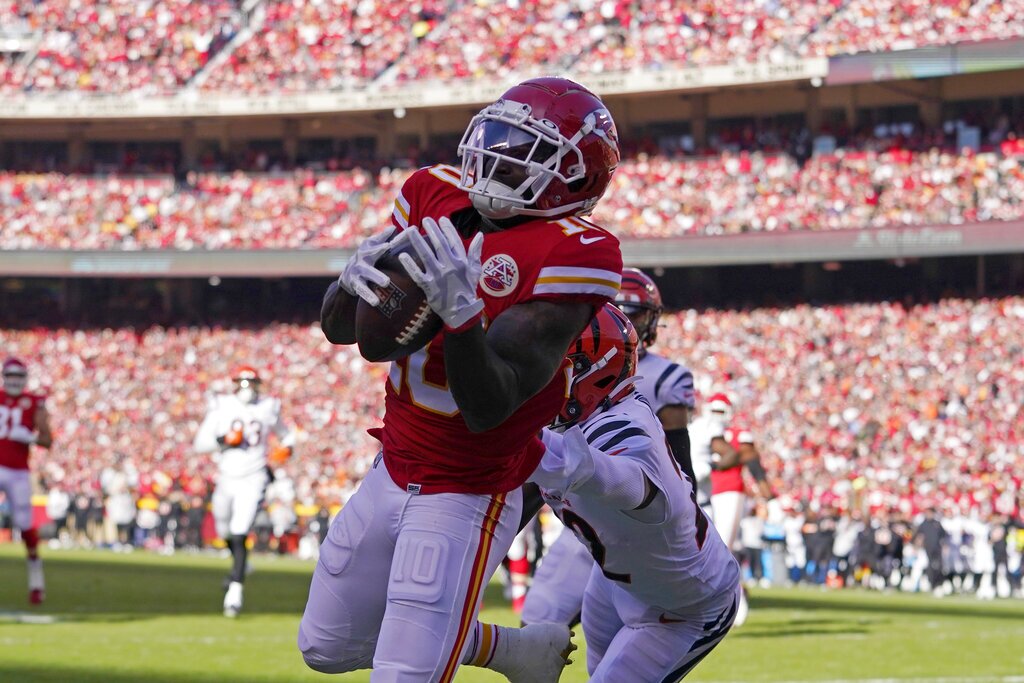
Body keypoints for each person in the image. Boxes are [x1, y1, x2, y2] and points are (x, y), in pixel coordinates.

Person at [302, 77, 623, 681]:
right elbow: (347, 333)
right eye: (500, 136)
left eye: (528, 149)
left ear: (576, 176)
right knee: (325, 647)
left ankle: (445, 638)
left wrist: (462, 317)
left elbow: (489, 406)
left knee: (403, 675)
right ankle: (511, 650)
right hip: (394, 463)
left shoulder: (576, 251)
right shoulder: (431, 191)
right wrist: (347, 284)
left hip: (470, 488)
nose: (499, 155)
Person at [529, 304, 740, 681]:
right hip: (615, 581)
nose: (536, 373)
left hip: (685, 606)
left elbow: (641, 491)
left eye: (550, 361)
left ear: (590, 372)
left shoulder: (620, 428)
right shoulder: (582, 420)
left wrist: (580, 466)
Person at [523, 267, 701, 628]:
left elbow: (680, 457)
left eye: (633, 313)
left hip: (636, 513)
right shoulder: (567, 359)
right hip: (579, 508)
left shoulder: (668, 377)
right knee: (540, 619)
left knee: (635, 627)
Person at [193, 365, 296, 617]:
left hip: (254, 476)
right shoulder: (222, 405)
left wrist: (287, 448)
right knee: (223, 528)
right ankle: (241, 565)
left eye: (251, 384)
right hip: (226, 476)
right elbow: (200, 444)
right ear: (235, 384)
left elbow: (287, 435)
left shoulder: (269, 406)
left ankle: (235, 592)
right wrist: (223, 440)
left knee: (240, 530)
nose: (247, 389)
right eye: (243, 383)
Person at [0, 358, 53, 604]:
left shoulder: (34, 402)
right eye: (9, 375)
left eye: (18, 376)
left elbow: (47, 440)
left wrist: (30, 439)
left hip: (18, 471)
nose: (13, 381)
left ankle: (36, 582)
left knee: (25, 527)